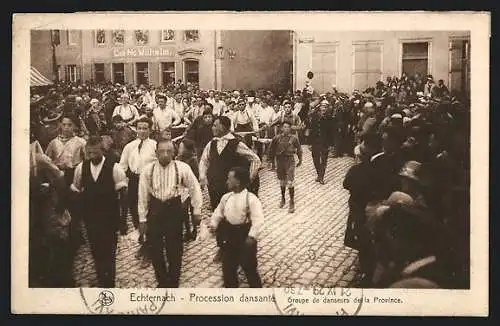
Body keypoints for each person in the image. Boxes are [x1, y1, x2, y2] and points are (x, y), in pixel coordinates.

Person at [137, 139, 202, 288]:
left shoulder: (182, 168)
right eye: (161, 151)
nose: (165, 155)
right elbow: (142, 195)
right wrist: (142, 219)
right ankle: (162, 280)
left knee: (175, 248)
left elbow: (195, 188)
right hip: (155, 210)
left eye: (169, 151)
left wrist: (197, 210)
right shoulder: (148, 170)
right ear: (156, 153)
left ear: (174, 152)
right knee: (155, 248)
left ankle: (173, 282)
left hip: (174, 210)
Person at [199, 116, 261, 262]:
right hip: (214, 186)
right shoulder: (211, 143)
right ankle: (222, 248)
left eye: (215, 125)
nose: (212, 128)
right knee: (219, 216)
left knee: (236, 219)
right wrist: (202, 176)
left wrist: (248, 180)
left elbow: (255, 159)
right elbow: (204, 160)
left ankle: (240, 248)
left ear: (224, 127)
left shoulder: (236, 143)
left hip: (232, 189)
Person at [70, 136, 128, 288]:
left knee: (109, 252)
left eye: (95, 153)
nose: (92, 156)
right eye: (89, 153)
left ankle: (109, 283)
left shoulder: (114, 168)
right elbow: (75, 190)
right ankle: (102, 279)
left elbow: (123, 194)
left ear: (102, 150)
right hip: (91, 219)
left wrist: (123, 220)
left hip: (110, 219)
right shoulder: (81, 168)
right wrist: (77, 218)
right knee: (95, 250)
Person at [208, 167, 264, 288]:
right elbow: (218, 212)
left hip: (245, 237)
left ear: (238, 182)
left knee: (250, 269)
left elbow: (258, 219)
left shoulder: (251, 199)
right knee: (228, 269)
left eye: (229, 179)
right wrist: (213, 224)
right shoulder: (226, 197)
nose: (227, 181)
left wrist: (252, 236)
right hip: (230, 237)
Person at [45, 113, 87, 249]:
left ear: (75, 126)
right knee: (60, 204)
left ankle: (76, 232)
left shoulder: (80, 142)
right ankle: (63, 233)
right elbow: (46, 159)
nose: (66, 128)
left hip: (74, 174)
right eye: (64, 125)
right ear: (60, 126)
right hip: (58, 176)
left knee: (75, 204)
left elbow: (86, 161)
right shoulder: (54, 142)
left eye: (70, 125)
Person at [118, 117, 157, 244]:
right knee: (134, 208)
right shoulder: (130, 147)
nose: (142, 131)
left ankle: (151, 238)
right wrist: (122, 183)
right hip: (134, 181)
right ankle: (140, 235)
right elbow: (122, 166)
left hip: (149, 181)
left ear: (150, 130)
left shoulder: (154, 145)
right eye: (139, 128)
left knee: (149, 208)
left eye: (145, 128)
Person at [268, 121, 303, 213]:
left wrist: (300, 160)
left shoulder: (294, 138)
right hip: (280, 161)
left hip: (290, 161)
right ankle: (283, 198)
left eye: (288, 127)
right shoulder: (277, 138)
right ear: (282, 128)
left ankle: (292, 202)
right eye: (285, 127)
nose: (286, 129)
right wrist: (271, 162)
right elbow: (271, 150)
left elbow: (299, 149)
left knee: (290, 181)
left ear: (290, 128)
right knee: (282, 182)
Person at [176, 138, 200, 241]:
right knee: (183, 210)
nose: (179, 149)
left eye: (181, 147)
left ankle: (194, 229)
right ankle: (187, 230)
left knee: (192, 208)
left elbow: (195, 176)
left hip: (190, 188)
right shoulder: (178, 158)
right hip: (181, 189)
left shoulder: (192, 160)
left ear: (187, 149)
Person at [308, 100, 333, 184]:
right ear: (319, 107)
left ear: (327, 108)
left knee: (324, 160)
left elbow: (331, 132)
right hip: (315, 141)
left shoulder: (330, 118)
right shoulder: (315, 117)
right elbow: (311, 130)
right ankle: (319, 174)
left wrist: (331, 144)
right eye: (322, 106)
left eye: (325, 107)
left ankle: (321, 176)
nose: (324, 109)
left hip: (324, 142)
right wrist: (309, 143)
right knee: (315, 159)